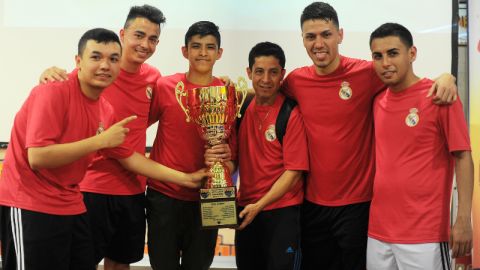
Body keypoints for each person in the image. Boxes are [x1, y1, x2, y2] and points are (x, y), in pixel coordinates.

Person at [0, 28, 208, 270]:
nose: (105, 66)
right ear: (78, 61)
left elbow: (129, 157)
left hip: (71, 204)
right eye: (96, 57)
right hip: (30, 203)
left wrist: (186, 178)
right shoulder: (53, 90)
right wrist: (100, 141)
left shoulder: (105, 110)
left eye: (113, 59)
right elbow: (38, 156)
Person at [281, 2, 459, 270]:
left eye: (326, 34)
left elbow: (410, 79)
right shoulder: (296, 80)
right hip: (313, 205)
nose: (319, 43)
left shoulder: (368, 72)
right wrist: (226, 86)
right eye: (311, 36)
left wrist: (448, 76)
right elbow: (267, 94)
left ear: (340, 35)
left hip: (359, 206)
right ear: (302, 40)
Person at [367, 22, 473, 270]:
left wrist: (464, 219)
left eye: (393, 53)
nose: (385, 63)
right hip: (378, 233)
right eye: (378, 56)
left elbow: (463, 157)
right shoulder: (377, 101)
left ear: (411, 54)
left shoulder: (440, 96)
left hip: (424, 236)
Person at [146, 21, 236, 270]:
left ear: (219, 53)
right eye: (196, 46)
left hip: (208, 197)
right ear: (185, 51)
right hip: (164, 196)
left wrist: (226, 160)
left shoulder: (228, 93)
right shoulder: (165, 86)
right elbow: (136, 126)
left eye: (210, 47)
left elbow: (234, 155)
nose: (203, 53)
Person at [234, 41, 308, 270]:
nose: (266, 79)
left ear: (282, 75)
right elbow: (234, 159)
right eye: (259, 72)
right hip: (246, 209)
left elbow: (293, 172)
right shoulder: (240, 108)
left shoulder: (291, 113)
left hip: (282, 212)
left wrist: (260, 205)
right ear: (249, 73)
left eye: (273, 72)